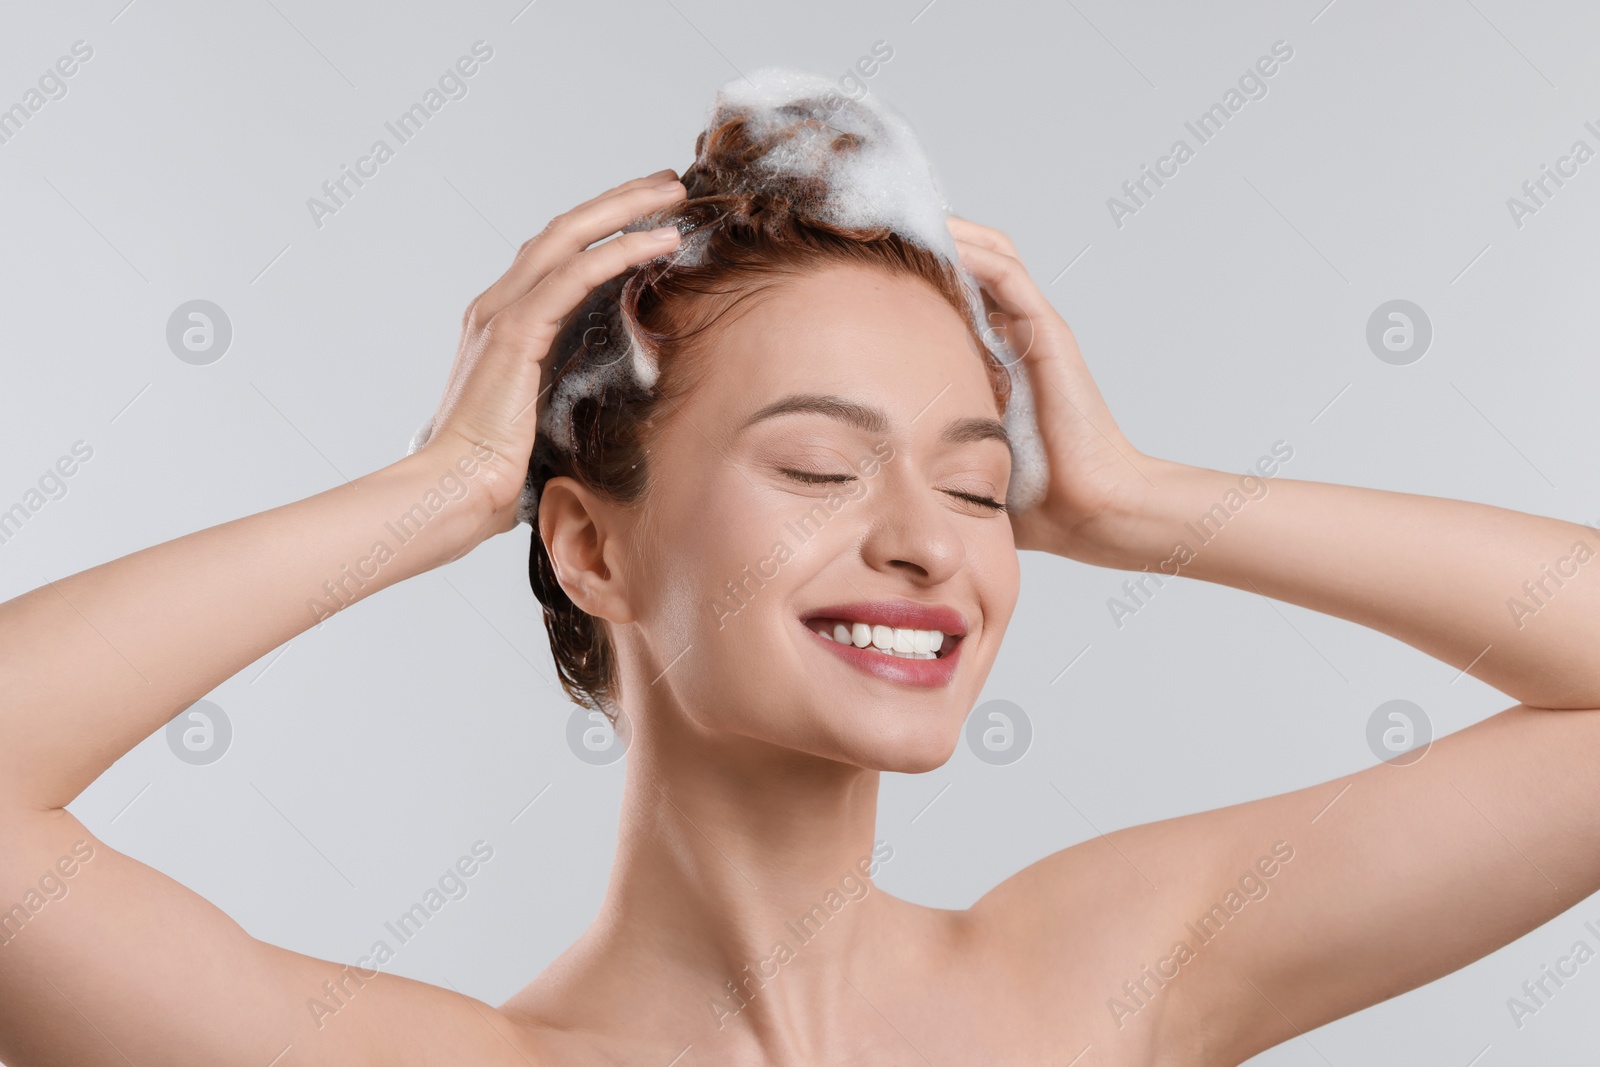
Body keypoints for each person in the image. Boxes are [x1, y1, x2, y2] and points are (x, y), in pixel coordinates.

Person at [2, 86, 1599, 1067]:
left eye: (978, 483)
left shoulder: (1116, 981)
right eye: (822, 469)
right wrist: (435, 495)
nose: (930, 540)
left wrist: (1138, 500)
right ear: (589, 545)